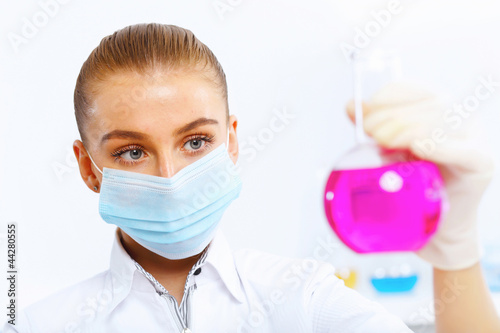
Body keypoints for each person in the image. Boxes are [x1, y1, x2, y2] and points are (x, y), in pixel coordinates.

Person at [3, 23, 499, 333]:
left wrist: (455, 252)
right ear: (90, 168)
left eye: (195, 142)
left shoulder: (302, 298)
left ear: (232, 142)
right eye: (133, 152)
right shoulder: (39, 325)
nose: (171, 177)